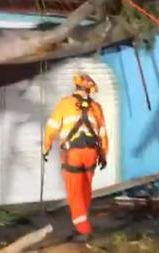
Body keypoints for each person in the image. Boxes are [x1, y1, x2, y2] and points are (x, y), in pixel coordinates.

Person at [43, 73, 108, 242]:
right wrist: (103, 154)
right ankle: (81, 225)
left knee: (74, 192)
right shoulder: (96, 107)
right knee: (85, 190)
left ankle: (83, 229)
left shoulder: (65, 104)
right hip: (91, 153)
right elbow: (102, 133)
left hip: (73, 154)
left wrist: (46, 147)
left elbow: (52, 127)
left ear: (76, 87)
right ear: (90, 89)